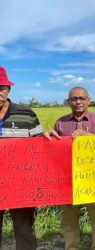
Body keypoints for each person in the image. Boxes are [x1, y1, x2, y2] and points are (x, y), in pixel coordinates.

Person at [44, 86, 95, 250]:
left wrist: (87, 136)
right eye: (74, 99)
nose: (78, 101)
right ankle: (71, 247)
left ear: (89, 100)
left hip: (94, 177)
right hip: (68, 178)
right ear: (68, 101)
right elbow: (54, 151)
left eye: (82, 98)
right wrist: (47, 137)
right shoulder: (61, 122)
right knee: (69, 218)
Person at [0, 66, 43, 249]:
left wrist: (47, 138)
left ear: (9, 89)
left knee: (24, 231)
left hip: (21, 184)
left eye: (1, 87)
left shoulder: (26, 114)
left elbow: (40, 147)